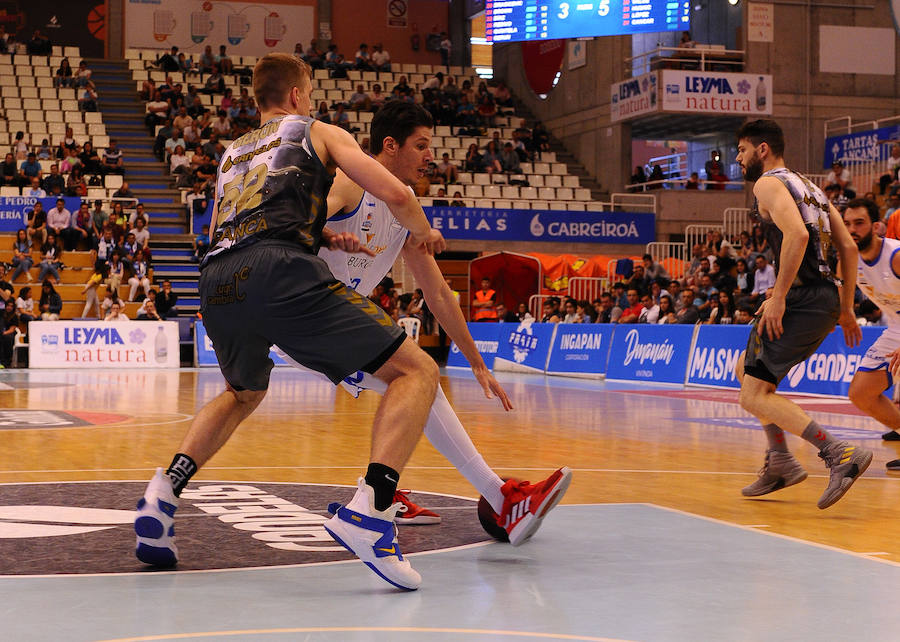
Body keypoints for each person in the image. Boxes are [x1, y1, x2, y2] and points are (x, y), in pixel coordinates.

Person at [133, 54, 449, 590]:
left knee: (241, 393)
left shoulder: (232, 153)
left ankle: (163, 492)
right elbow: (395, 193)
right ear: (299, 96)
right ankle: (372, 512)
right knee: (416, 371)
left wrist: (321, 234)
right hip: (278, 272)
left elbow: (249, 219)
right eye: (311, 93)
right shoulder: (317, 130)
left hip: (216, 280)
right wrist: (424, 232)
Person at [289, 99, 569, 537]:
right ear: (389, 146)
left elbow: (437, 290)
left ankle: (382, 489)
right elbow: (293, 228)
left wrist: (475, 360)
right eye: (421, 145)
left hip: (336, 322)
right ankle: (499, 500)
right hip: (307, 318)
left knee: (418, 382)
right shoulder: (349, 185)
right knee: (419, 377)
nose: (430, 155)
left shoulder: (404, 208)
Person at [733, 119, 870, 508]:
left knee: (753, 394)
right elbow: (848, 248)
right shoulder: (811, 188)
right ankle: (780, 461)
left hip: (803, 297)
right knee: (745, 371)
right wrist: (844, 309)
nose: (738, 159)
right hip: (822, 299)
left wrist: (778, 297)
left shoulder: (768, 183)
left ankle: (839, 454)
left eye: (742, 150)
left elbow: (798, 236)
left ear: (762, 150)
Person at [841, 201, 900, 463]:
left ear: (876, 226)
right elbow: (836, 291)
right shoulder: (848, 260)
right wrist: (846, 312)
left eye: (859, 223)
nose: (852, 230)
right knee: (860, 393)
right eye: (847, 224)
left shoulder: (895, 257)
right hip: (896, 328)